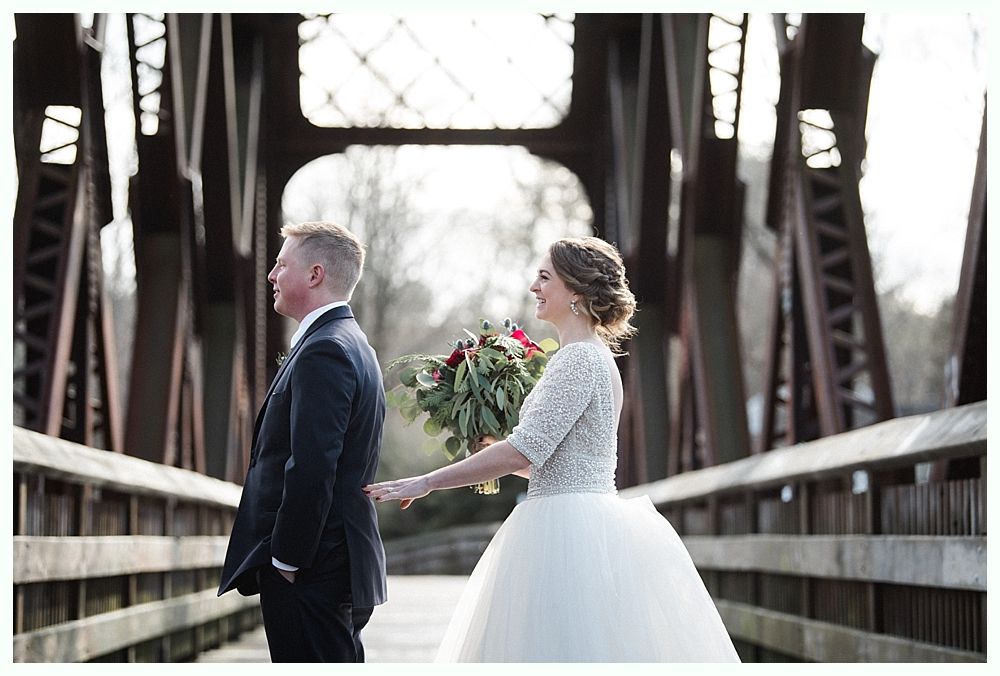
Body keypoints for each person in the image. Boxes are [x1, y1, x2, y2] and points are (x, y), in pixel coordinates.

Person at [364, 236, 740, 662]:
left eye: (544, 277)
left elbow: (522, 452)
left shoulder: (578, 359)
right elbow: (554, 464)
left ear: (576, 291)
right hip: (578, 517)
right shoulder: (593, 357)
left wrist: (428, 481)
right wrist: (492, 448)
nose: (533, 288)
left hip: (566, 531)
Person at [219, 221, 387, 662]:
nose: (271, 275)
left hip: (314, 566)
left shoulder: (325, 349)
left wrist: (286, 560)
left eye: (281, 264)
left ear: (314, 274)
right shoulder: (354, 344)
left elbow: (312, 465)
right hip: (335, 560)